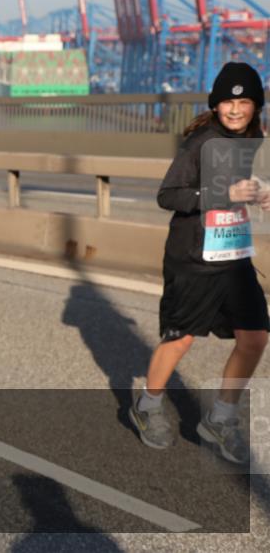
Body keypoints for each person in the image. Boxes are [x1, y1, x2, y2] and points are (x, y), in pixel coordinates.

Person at [131, 62, 268, 464]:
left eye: (245, 102)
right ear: (216, 104)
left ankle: (220, 419)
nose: (236, 109)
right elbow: (168, 195)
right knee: (181, 339)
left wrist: (259, 192)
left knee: (255, 337)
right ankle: (148, 404)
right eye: (229, 101)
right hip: (193, 257)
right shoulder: (200, 144)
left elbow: (247, 182)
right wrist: (221, 193)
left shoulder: (255, 137)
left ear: (256, 106)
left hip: (233, 253)